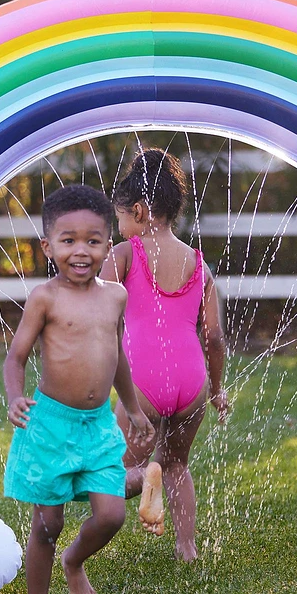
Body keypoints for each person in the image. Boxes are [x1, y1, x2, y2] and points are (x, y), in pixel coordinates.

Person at [3, 183, 155, 594]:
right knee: (47, 524)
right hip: (49, 423)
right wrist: (15, 396)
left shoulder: (115, 296)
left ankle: (75, 560)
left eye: (93, 240)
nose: (81, 251)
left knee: (111, 514)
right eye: (68, 241)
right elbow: (15, 357)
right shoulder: (44, 298)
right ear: (48, 246)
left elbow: (118, 356)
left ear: (109, 243)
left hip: (97, 424)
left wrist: (135, 408)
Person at [103, 148, 228, 562]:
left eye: (119, 218)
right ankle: (186, 547)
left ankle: (143, 477)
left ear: (138, 210)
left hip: (143, 383)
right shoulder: (199, 265)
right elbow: (215, 338)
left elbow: (95, 318)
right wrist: (217, 390)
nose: (118, 230)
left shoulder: (124, 256)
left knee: (111, 476)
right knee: (178, 464)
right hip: (193, 382)